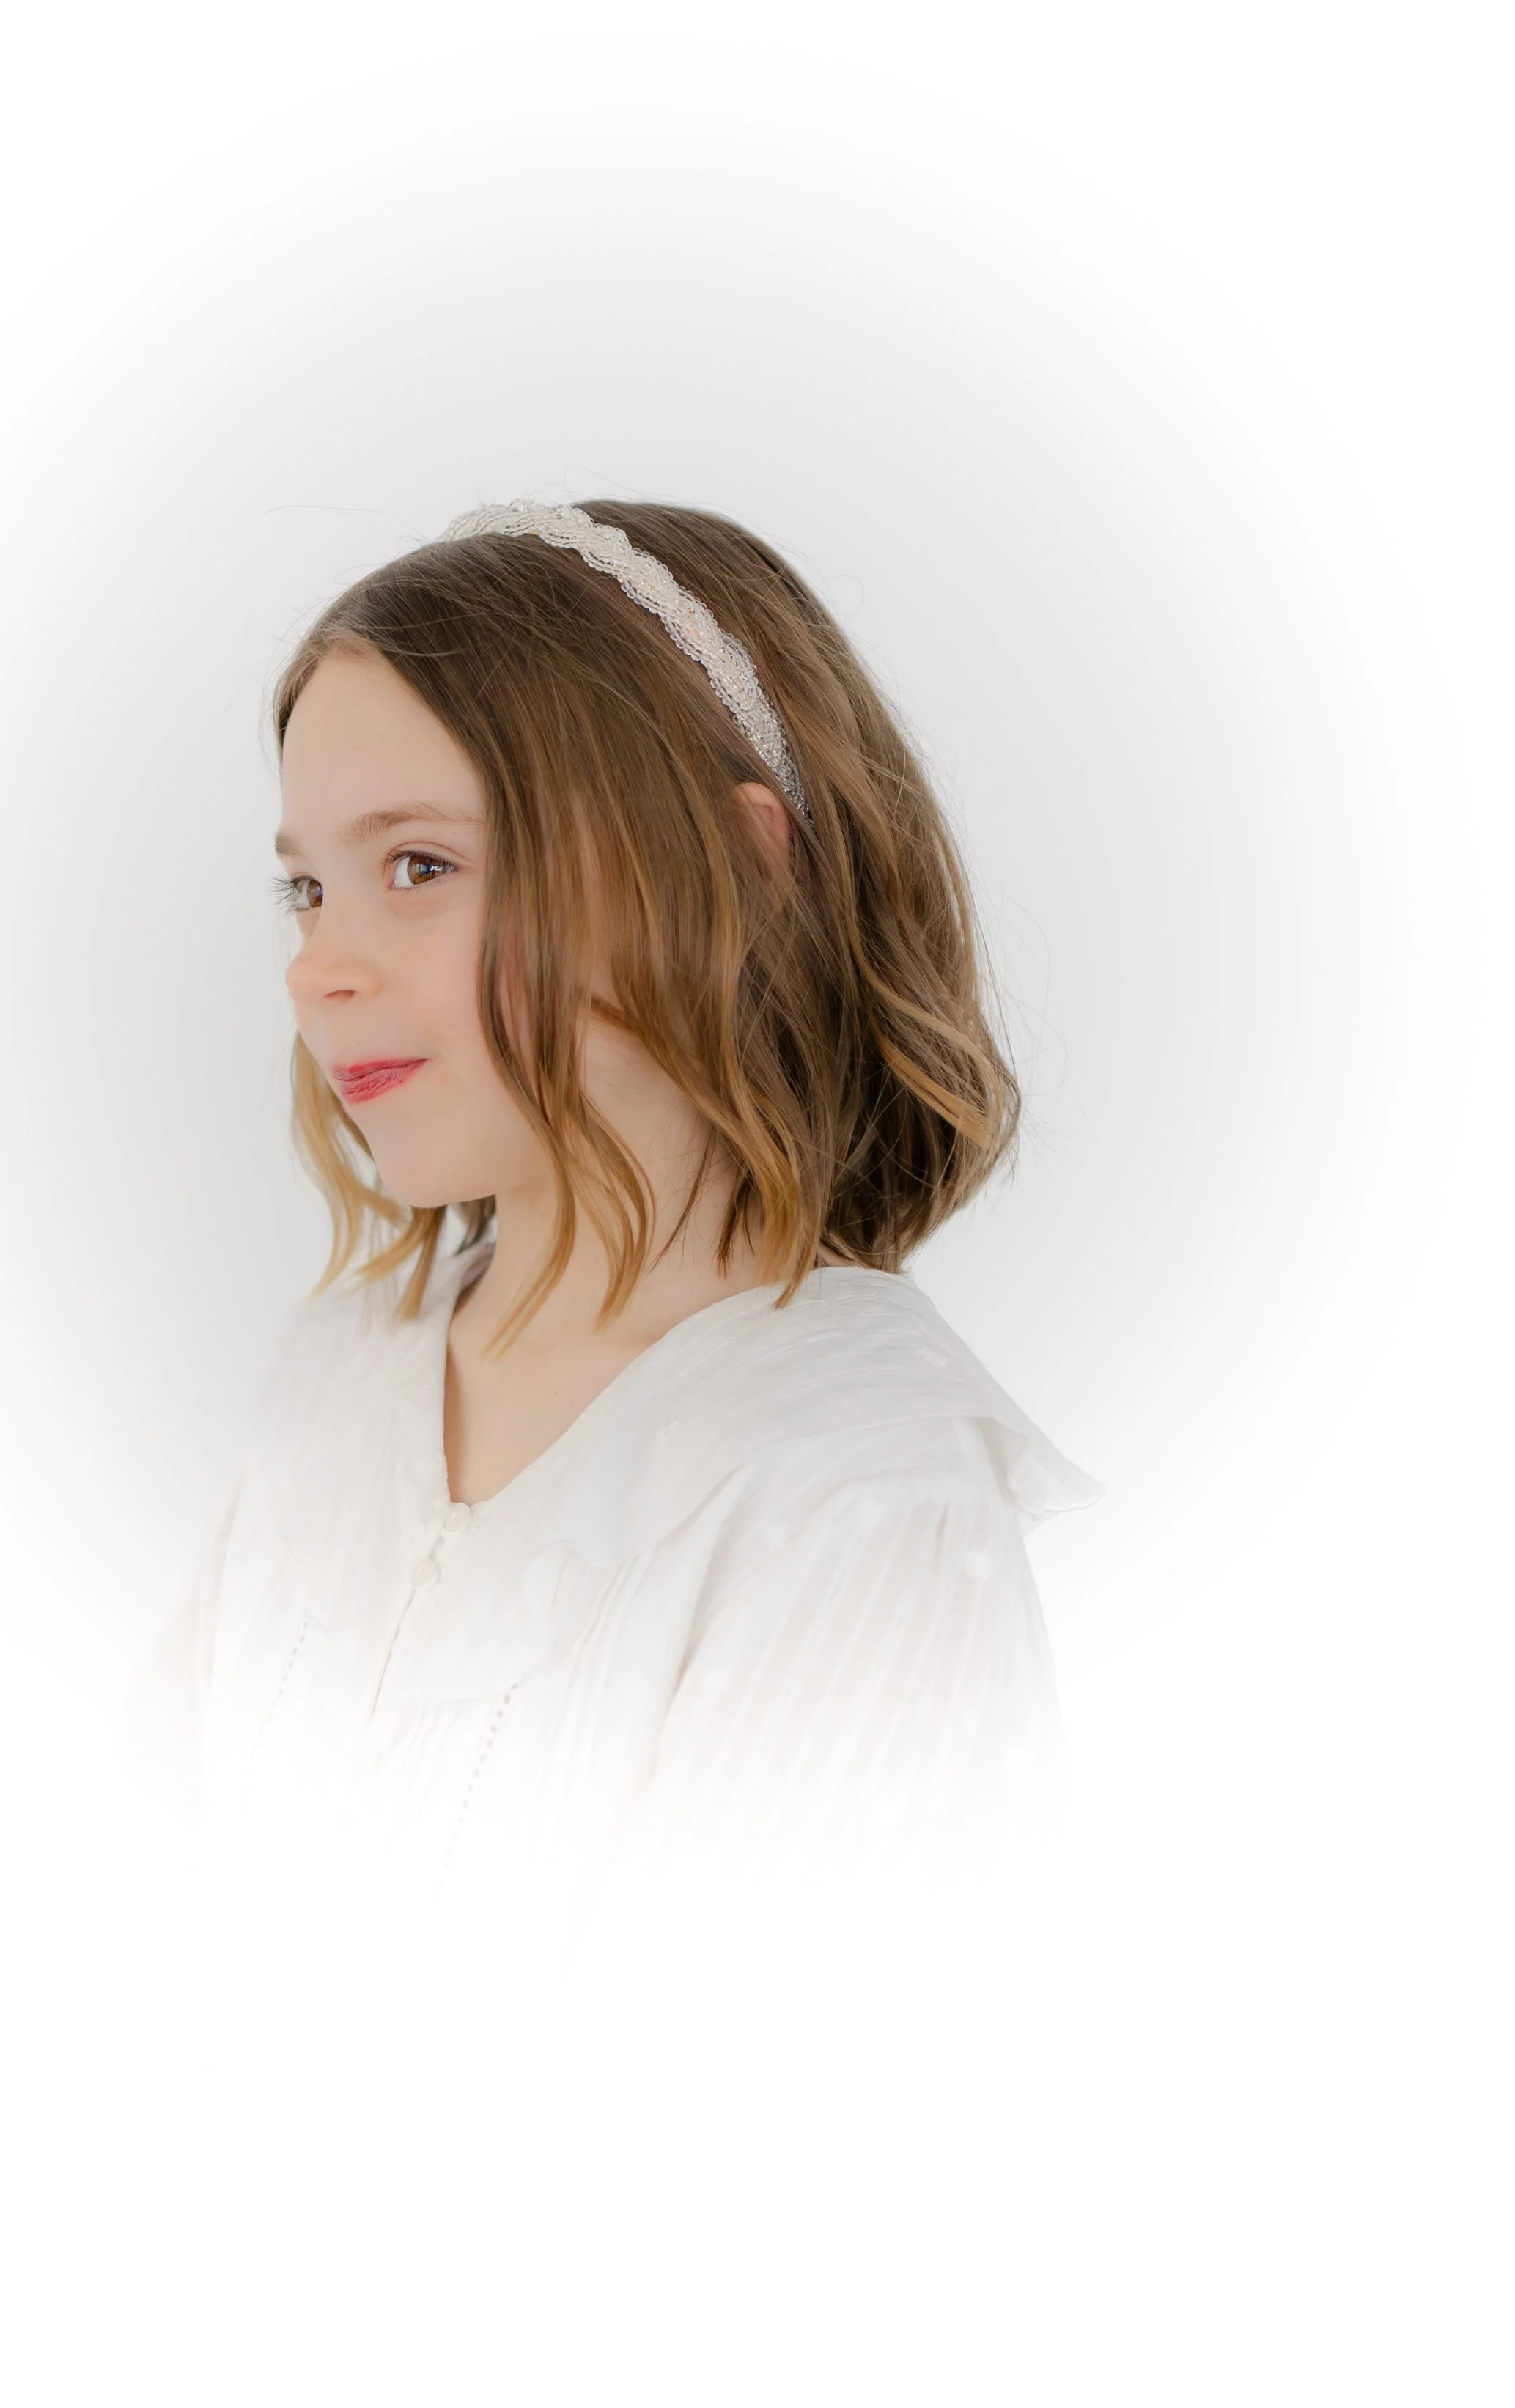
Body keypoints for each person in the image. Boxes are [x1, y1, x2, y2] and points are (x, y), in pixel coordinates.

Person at [131, 498, 1099, 1930]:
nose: (316, 965)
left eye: (419, 866)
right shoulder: (344, 1373)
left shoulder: (858, 1491)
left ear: (734, 872)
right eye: (308, 888)